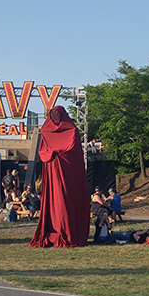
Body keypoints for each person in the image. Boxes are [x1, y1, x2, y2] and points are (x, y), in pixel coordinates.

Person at [29, 105, 91, 248]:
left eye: (57, 115)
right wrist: (52, 154)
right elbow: (42, 151)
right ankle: (53, 229)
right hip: (51, 169)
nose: (55, 118)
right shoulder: (46, 130)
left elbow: (73, 152)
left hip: (67, 171)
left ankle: (67, 230)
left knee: (65, 199)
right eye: (53, 115)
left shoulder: (71, 130)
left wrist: (56, 154)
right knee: (54, 199)